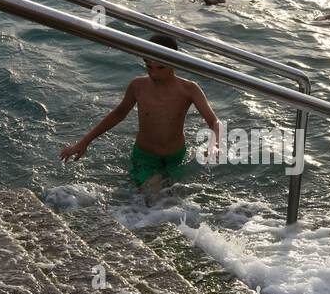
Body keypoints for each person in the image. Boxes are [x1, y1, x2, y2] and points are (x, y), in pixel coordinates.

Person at [60, 35, 221, 192]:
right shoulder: (138, 86)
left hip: (176, 158)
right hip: (145, 156)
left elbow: (214, 122)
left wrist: (214, 144)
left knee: (173, 199)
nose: (153, 73)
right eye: (148, 66)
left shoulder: (189, 89)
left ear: (174, 62)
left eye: (160, 68)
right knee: (152, 197)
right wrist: (84, 142)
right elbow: (118, 114)